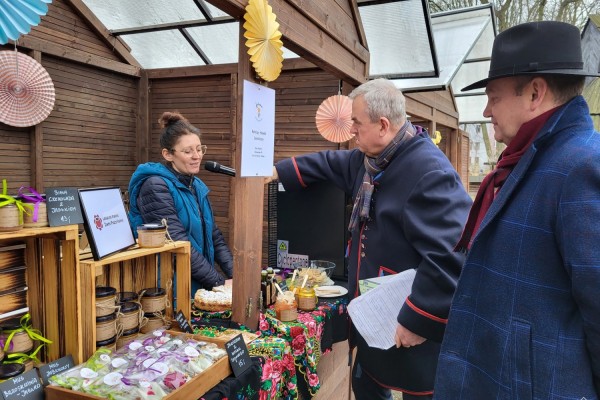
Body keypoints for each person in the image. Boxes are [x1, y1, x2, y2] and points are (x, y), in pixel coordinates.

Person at [269, 78, 472, 399]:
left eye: (357, 123)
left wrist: (418, 320)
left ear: (382, 125)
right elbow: (327, 162)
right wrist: (276, 171)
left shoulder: (429, 171)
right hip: (373, 317)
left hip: (407, 323)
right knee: (368, 384)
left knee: (419, 391)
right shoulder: (370, 161)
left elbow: (452, 256)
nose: (351, 131)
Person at [434, 21, 600, 399]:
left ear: (535, 93)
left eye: (493, 96)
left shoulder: (582, 166)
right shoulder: (526, 161)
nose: (486, 108)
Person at [128, 111, 233, 293]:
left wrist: (237, 276)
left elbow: (214, 236)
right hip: (168, 289)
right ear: (168, 155)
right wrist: (219, 284)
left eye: (199, 149)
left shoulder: (197, 185)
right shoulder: (155, 186)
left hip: (197, 283)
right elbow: (177, 243)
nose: (196, 156)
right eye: (188, 151)